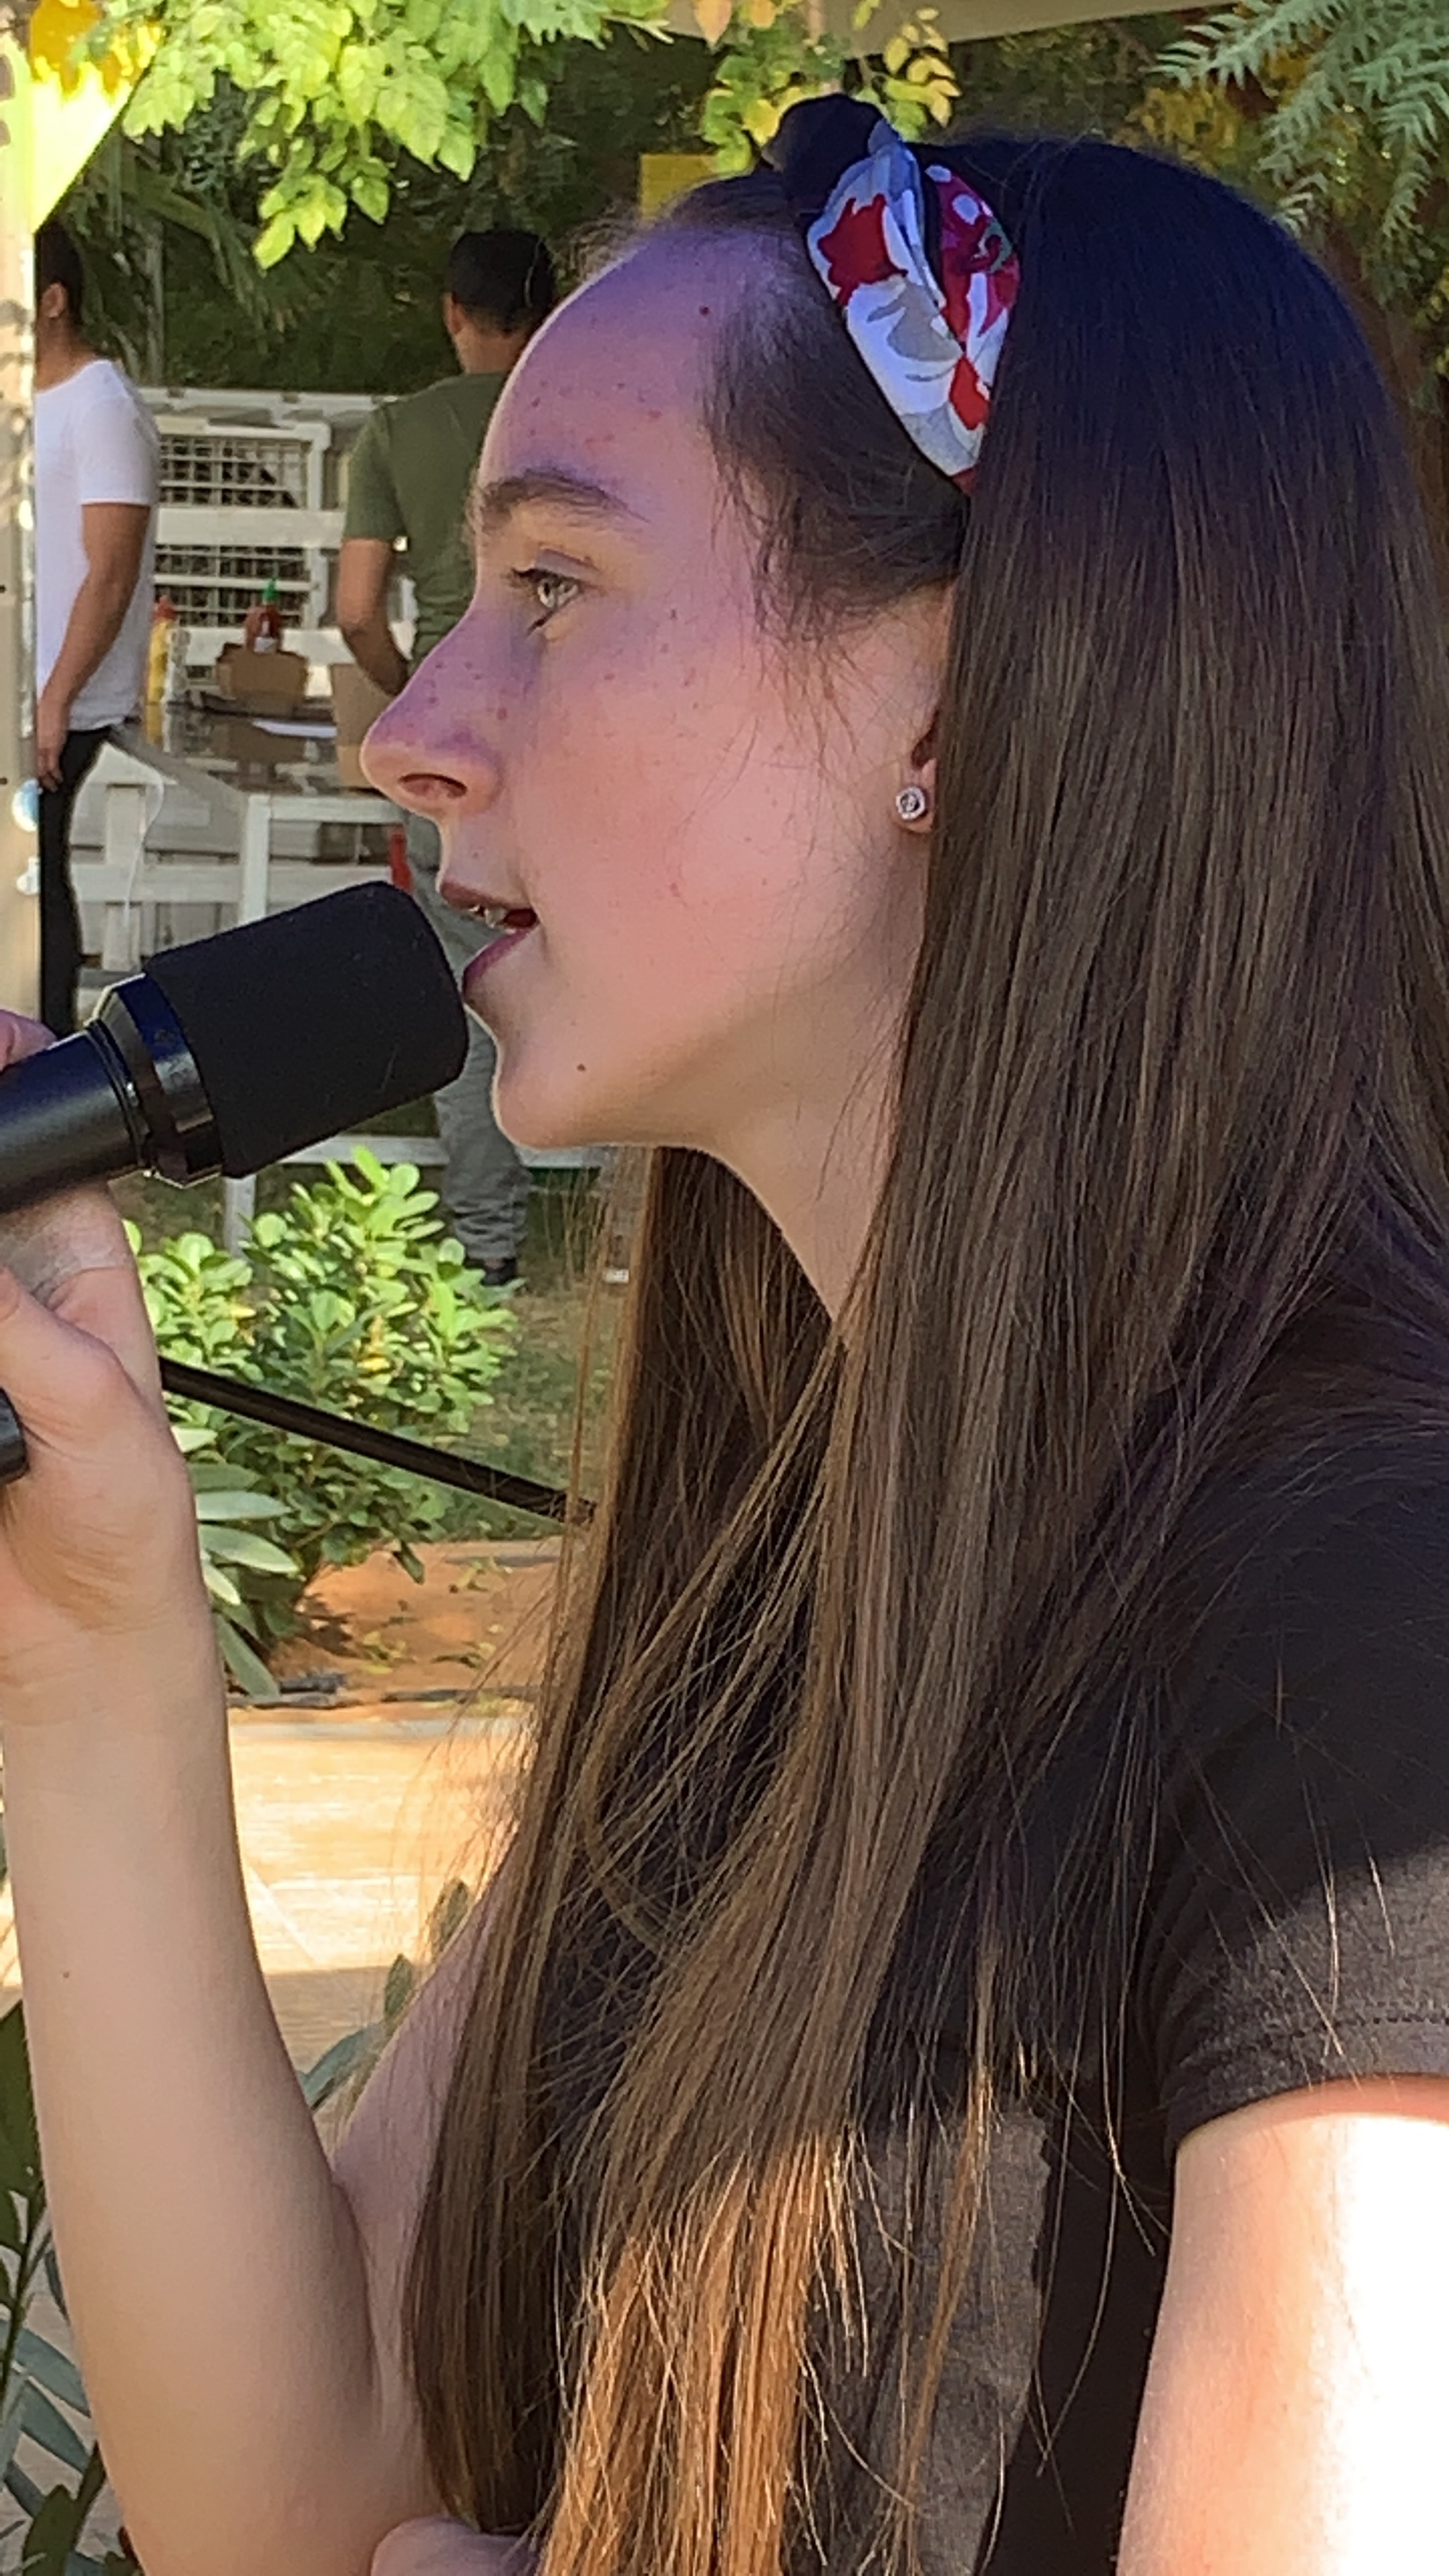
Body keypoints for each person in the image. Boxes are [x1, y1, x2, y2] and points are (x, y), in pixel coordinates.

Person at [5, 95, 1449, 2576]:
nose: (412, 725)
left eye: (556, 585)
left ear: (955, 707)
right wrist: (85, 1631)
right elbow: (291, 2489)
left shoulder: (1371, 1631)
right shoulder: (771, 1577)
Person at [337, 228, 557, 1287]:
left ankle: (489, 1238)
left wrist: (408, 694)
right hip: (580, 723)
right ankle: (646, 1225)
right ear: (549, 309)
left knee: (466, 973)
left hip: (455, 737)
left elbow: (355, 610)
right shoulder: (582, 409)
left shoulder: (399, 432)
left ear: (452, 312)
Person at [32, 219, 159, 1037]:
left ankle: (43, 1049)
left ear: (52, 302)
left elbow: (110, 571)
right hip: (21, 680)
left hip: (62, 694)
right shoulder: (30, 402)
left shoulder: (102, 407)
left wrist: (56, 699)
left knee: (34, 872)